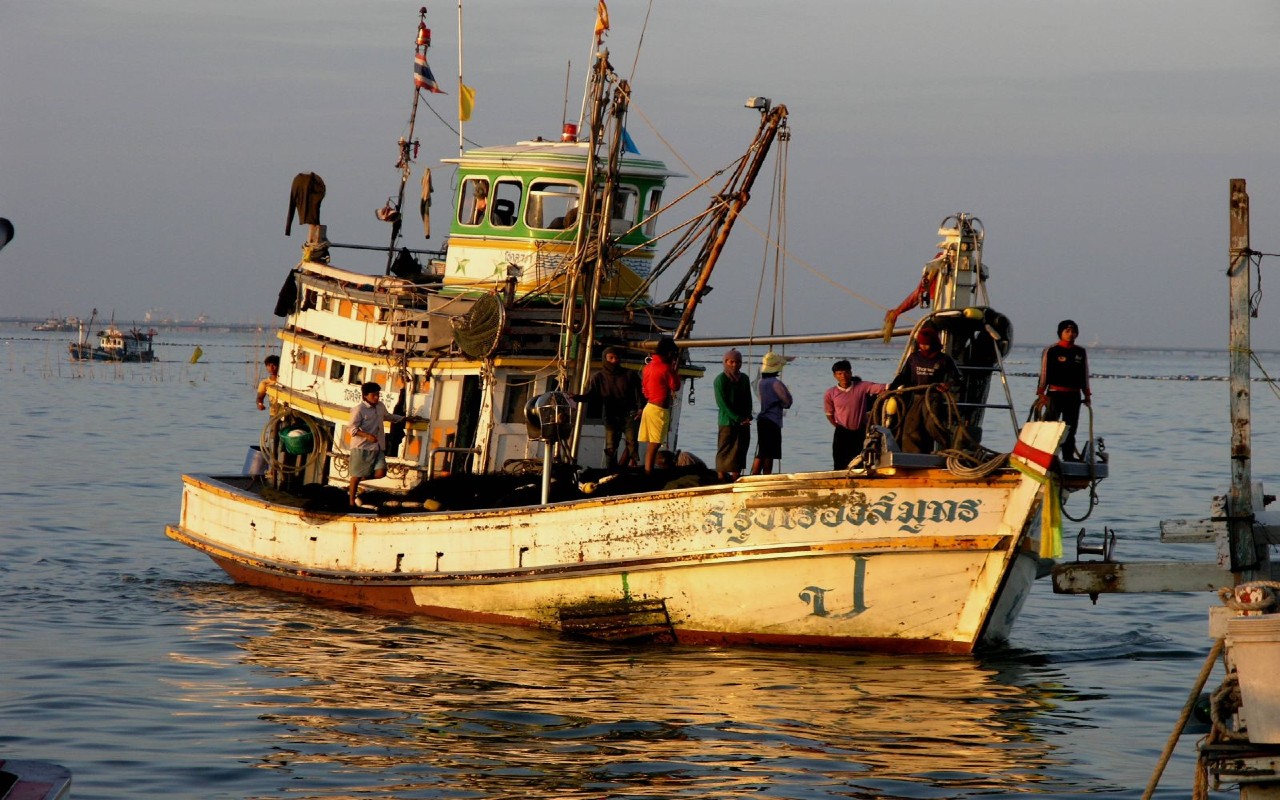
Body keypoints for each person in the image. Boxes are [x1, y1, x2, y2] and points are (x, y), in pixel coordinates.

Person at [888, 328, 961, 453]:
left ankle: (949, 449)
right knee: (910, 428)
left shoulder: (943, 359)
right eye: (921, 344)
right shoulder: (914, 358)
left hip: (932, 398)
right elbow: (904, 376)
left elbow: (957, 378)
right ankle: (912, 456)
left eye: (926, 344)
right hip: (916, 397)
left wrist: (948, 384)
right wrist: (892, 388)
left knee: (932, 425)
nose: (924, 347)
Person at [347, 381, 418, 507]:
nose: (376, 397)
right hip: (361, 447)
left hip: (377, 446)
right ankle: (351, 501)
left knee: (381, 473)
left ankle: (355, 483)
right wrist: (367, 435)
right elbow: (351, 429)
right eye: (373, 395)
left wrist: (404, 419)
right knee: (356, 475)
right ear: (365, 396)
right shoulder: (359, 410)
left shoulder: (380, 406)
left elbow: (388, 416)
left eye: (378, 395)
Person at [575, 346, 643, 469]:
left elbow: (639, 393)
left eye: (616, 358)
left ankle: (633, 465)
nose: (614, 360)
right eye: (610, 358)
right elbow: (592, 395)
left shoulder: (629, 374)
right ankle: (610, 470)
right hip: (610, 414)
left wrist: (640, 408)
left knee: (632, 441)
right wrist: (577, 398)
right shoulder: (598, 377)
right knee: (611, 445)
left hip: (630, 413)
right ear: (605, 359)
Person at [1037, 319, 1092, 460]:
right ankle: (1048, 456)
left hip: (1073, 396)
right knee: (1051, 427)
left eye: (1074, 331)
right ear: (1060, 333)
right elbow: (1044, 372)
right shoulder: (1051, 350)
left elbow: (1084, 374)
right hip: (1054, 394)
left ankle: (1068, 456)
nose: (1071, 334)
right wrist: (1041, 393)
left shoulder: (1080, 352)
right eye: (1067, 331)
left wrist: (1087, 394)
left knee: (1070, 428)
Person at [823, 359, 886, 469]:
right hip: (841, 432)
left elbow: (883, 387)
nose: (843, 376)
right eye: (840, 373)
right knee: (839, 462)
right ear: (835, 376)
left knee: (859, 461)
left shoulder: (862, 386)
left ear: (851, 373)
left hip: (859, 431)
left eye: (846, 372)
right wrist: (838, 426)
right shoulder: (830, 393)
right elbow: (829, 414)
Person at [639, 336, 681, 474]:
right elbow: (675, 386)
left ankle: (647, 470)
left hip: (649, 407)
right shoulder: (666, 368)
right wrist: (674, 370)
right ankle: (648, 473)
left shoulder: (648, 367)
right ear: (669, 353)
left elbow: (644, 389)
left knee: (651, 443)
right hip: (659, 409)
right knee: (655, 444)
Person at [713, 349, 752, 480]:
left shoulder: (744, 379)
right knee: (724, 449)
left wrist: (747, 416)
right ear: (726, 362)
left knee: (740, 449)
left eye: (738, 362)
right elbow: (722, 403)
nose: (735, 365)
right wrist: (736, 418)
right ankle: (721, 477)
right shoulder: (720, 380)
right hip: (727, 422)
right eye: (732, 362)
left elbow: (748, 399)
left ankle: (736, 476)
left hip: (743, 422)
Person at [752, 351, 793, 475]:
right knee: (769, 452)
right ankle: (766, 475)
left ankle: (755, 474)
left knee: (763, 450)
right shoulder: (776, 383)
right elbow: (787, 401)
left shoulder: (761, 383)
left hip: (763, 419)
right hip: (772, 420)